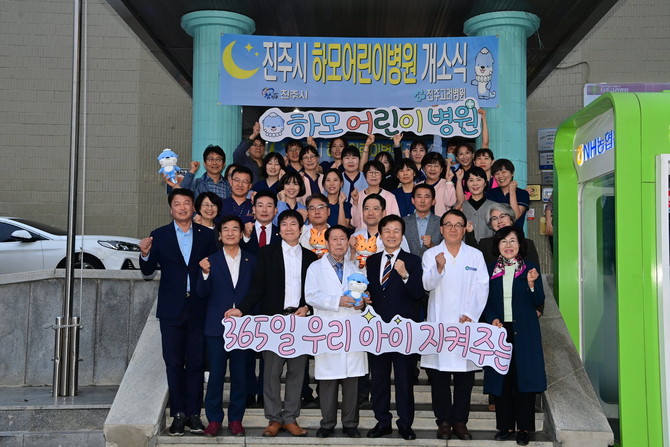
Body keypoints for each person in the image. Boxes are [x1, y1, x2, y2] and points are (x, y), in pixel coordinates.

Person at [225, 210, 318, 437]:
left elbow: (315, 289)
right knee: (271, 373)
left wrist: (307, 307)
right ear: (279, 229)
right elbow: (257, 286)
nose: (288, 228)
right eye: (284, 224)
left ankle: (291, 418)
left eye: (293, 224)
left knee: (297, 371)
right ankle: (274, 418)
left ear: (301, 229)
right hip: (273, 322)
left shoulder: (311, 257)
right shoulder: (266, 253)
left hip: (300, 321)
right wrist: (241, 309)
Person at [139, 189, 218, 436]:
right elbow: (147, 270)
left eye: (186, 203)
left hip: (199, 308)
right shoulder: (159, 235)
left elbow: (216, 269)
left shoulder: (208, 235)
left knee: (196, 363)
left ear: (193, 207)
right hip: (171, 310)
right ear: (170, 209)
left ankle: (194, 414)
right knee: (173, 363)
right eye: (177, 204)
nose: (182, 207)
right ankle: (178, 414)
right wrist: (144, 253)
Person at [421, 209, 489, 441]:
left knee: (465, 377)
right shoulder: (431, 254)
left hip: (465, 324)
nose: (452, 229)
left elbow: (482, 286)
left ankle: (460, 421)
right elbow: (427, 285)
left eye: (457, 225)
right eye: (448, 224)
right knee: (439, 377)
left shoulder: (475, 255)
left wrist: (471, 314)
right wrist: (438, 268)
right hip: (440, 325)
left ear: (464, 229)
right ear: (441, 229)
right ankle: (443, 421)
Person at [482, 226, 546, 446]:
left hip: (524, 330)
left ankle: (524, 428)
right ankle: (505, 426)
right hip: (500, 331)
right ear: (497, 246)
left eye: (512, 241)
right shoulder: (490, 270)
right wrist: (492, 318)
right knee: (502, 379)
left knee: (523, 380)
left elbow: (538, 300)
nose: (508, 246)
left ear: (520, 245)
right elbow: (485, 300)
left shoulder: (531, 267)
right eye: (503, 242)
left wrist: (531, 284)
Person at [364, 215, 425, 440]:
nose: (391, 235)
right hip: (378, 331)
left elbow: (418, 294)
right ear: (380, 235)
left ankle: (405, 423)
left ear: (402, 234)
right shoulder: (371, 261)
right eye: (387, 231)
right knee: (378, 379)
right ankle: (382, 421)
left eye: (396, 230)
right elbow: (372, 292)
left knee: (404, 379)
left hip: (404, 332)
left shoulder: (413, 261)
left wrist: (405, 275)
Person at [305, 225, 368, 439]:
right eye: (334, 239)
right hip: (327, 329)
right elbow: (310, 296)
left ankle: (350, 424)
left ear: (348, 242)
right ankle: (327, 423)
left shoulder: (356, 268)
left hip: (351, 330)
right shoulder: (315, 268)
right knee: (328, 380)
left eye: (343, 239)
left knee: (352, 381)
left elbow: (364, 296)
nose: (339, 243)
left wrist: (362, 304)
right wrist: (337, 301)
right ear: (327, 242)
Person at [196, 215, 256, 437]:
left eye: (235, 229)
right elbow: (201, 293)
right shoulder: (210, 261)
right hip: (216, 328)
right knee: (216, 376)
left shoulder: (252, 260)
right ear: (220, 235)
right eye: (226, 229)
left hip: (243, 328)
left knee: (240, 376)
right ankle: (213, 419)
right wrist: (204, 273)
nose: (230, 233)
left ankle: (236, 419)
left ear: (241, 234)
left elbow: (256, 293)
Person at [468, 203, 540, 266]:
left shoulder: (527, 244)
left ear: (511, 219)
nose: (499, 221)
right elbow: (472, 257)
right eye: (494, 218)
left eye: (502, 216)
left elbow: (535, 271)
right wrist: (470, 232)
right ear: (491, 224)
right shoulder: (485, 244)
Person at [351, 160, 400, 230]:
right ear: (365, 176)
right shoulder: (357, 196)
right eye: (370, 172)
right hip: (362, 235)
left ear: (382, 176)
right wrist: (355, 202)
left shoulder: (390, 196)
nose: (373, 176)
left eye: (377, 173)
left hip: (383, 235)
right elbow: (354, 223)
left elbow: (395, 221)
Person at [486, 159, 530, 229]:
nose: (500, 176)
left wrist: (512, 191)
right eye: (497, 173)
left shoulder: (523, 194)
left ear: (512, 173)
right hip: (496, 235)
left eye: (504, 172)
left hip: (516, 235)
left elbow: (515, 216)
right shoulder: (489, 194)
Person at [402, 184, 443, 257]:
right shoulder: (403, 222)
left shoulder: (441, 222)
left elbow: (446, 250)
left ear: (433, 201)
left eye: (427, 197)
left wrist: (432, 245)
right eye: (419, 197)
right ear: (413, 200)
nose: (422, 201)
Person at [457, 166, 496, 243]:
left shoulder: (494, 207)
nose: (475, 184)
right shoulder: (460, 207)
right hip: (465, 248)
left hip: (488, 249)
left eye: (478, 180)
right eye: (471, 180)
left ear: (485, 183)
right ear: (466, 183)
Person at [241, 190, 279, 257]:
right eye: (260, 206)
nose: (264, 210)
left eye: (269, 206)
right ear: (254, 209)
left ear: (275, 211)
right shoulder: (243, 230)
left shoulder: (281, 233)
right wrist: (246, 236)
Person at [420, 152, 457, 217]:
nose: (432, 169)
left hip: (441, 221)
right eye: (429, 165)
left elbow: (450, 203)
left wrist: (448, 182)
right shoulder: (418, 186)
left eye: (436, 166)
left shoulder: (447, 184)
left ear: (441, 169)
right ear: (423, 168)